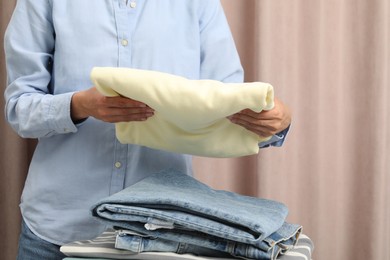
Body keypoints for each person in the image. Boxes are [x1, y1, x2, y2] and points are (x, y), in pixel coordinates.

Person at [3, 0, 291, 259]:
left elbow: (228, 104)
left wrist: (275, 122)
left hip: (159, 236)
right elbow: (19, 108)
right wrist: (79, 106)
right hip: (56, 230)